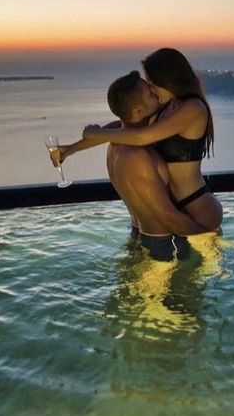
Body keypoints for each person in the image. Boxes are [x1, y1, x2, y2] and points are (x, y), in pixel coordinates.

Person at [55, 71, 208, 262]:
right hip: (161, 245)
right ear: (138, 111)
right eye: (150, 93)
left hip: (140, 235)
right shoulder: (138, 157)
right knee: (180, 293)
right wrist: (208, 237)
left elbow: (114, 128)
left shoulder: (115, 145)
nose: (154, 92)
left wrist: (70, 149)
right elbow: (168, 217)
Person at [81, 48, 222, 232]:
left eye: (153, 83)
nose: (151, 88)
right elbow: (122, 127)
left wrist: (97, 133)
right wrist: (71, 149)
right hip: (175, 211)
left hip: (197, 208)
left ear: (168, 80)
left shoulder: (193, 108)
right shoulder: (165, 107)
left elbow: (141, 137)